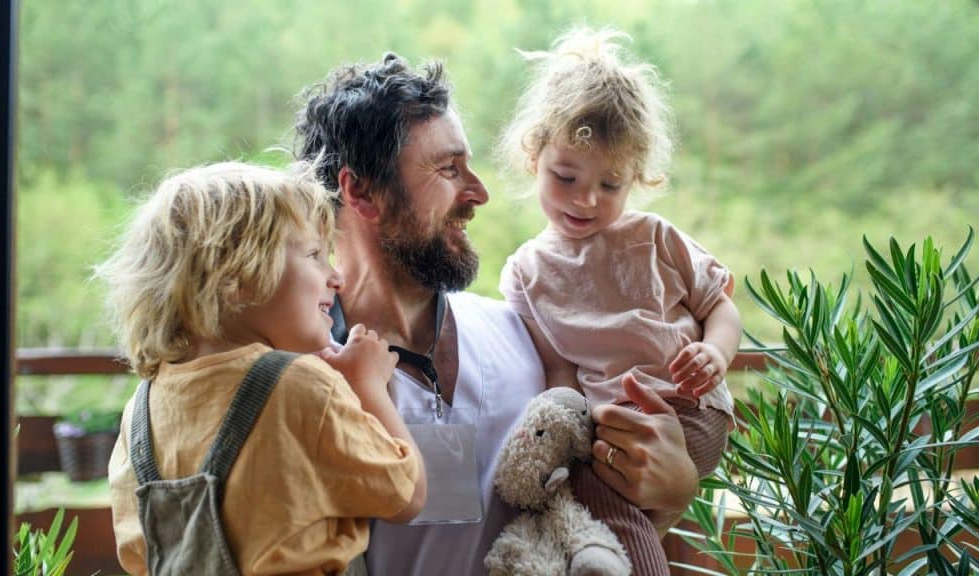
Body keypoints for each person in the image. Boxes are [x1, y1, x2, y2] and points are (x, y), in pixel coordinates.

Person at [295, 52, 704, 576]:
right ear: (361, 191)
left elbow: (593, 527)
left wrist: (676, 491)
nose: (479, 193)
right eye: (449, 169)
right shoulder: (304, 376)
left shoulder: (529, 336)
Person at [100, 161, 426, 575]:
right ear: (236, 276)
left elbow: (137, 552)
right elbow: (406, 494)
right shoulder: (301, 385)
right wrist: (367, 384)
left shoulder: (140, 411)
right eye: (314, 255)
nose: (336, 277)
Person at [496, 27, 742, 574]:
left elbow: (720, 307)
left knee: (600, 498)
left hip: (685, 407)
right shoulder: (525, 273)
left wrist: (716, 353)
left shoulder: (654, 237)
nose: (587, 199)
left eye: (610, 185)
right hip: (607, 424)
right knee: (577, 496)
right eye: (567, 177)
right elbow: (559, 374)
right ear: (533, 156)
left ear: (637, 177)